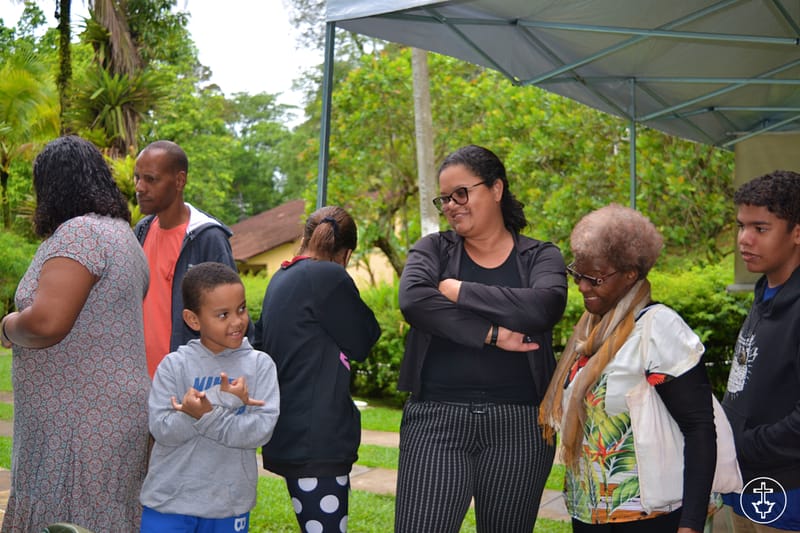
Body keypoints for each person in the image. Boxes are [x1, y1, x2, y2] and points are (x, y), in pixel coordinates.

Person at [394, 144, 567, 532]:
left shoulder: (541, 257)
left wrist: (458, 290)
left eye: (462, 193)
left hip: (521, 426)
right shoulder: (433, 250)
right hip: (437, 420)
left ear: (496, 189)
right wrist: (492, 333)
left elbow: (543, 307)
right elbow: (414, 300)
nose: (452, 205)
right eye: (445, 199)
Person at [0, 135, 150, 531]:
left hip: (78, 419)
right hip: (108, 415)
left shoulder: (79, 235)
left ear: (51, 186)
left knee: (67, 519)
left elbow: (47, 324)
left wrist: (7, 326)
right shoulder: (124, 238)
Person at [539, 203, 717, 533]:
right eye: (577, 274)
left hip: (649, 516)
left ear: (630, 275)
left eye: (595, 278)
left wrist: (691, 524)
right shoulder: (588, 331)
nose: (582, 287)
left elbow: (699, 427)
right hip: (587, 511)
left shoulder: (657, 329)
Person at [255, 205, 380, 533]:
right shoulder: (329, 276)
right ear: (347, 253)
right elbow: (364, 339)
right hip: (318, 438)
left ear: (304, 237)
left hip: (291, 431)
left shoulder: (281, 277)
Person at [140, 261, 279, 532]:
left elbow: (259, 431)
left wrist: (203, 415)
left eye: (241, 309)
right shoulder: (174, 366)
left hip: (229, 505)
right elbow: (162, 430)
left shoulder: (260, 366)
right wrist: (221, 400)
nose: (237, 321)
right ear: (193, 319)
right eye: (223, 314)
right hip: (169, 502)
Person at [721, 170, 800, 531]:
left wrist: (742, 444)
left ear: (797, 232)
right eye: (741, 226)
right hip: (739, 485)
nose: (744, 239)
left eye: (760, 228)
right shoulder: (764, 293)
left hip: (785, 497)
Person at [134, 140, 242, 378]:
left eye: (151, 179)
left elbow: (231, 316)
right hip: (142, 383)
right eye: (137, 178)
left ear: (180, 181)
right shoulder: (141, 231)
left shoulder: (207, 238)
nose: (140, 187)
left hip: (188, 385)